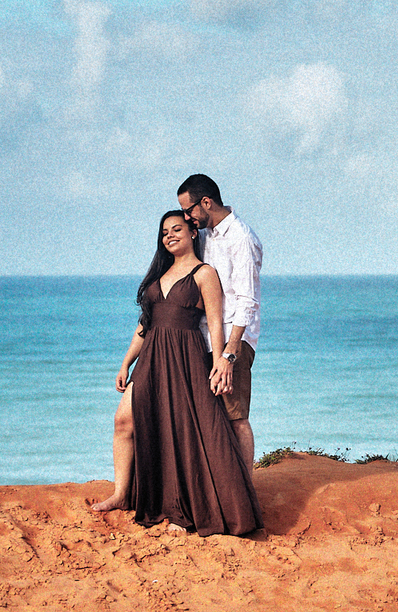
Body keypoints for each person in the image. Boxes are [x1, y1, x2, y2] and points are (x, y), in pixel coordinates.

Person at [93, 210, 263, 536]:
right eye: (164, 232)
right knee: (123, 420)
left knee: (182, 435)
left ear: (192, 233)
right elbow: (145, 326)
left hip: (185, 358)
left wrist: (219, 360)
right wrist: (126, 362)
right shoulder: (158, 277)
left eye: (176, 229)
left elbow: (214, 320)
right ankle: (120, 493)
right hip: (152, 358)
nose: (169, 235)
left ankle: (184, 506)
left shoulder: (204, 273)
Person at [176, 174, 263, 467]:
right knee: (208, 416)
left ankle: (245, 490)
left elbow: (246, 301)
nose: (187, 217)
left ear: (206, 202)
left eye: (189, 210)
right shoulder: (205, 235)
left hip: (231, 341)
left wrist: (229, 355)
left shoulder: (241, 238)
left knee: (235, 415)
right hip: (206, 337)